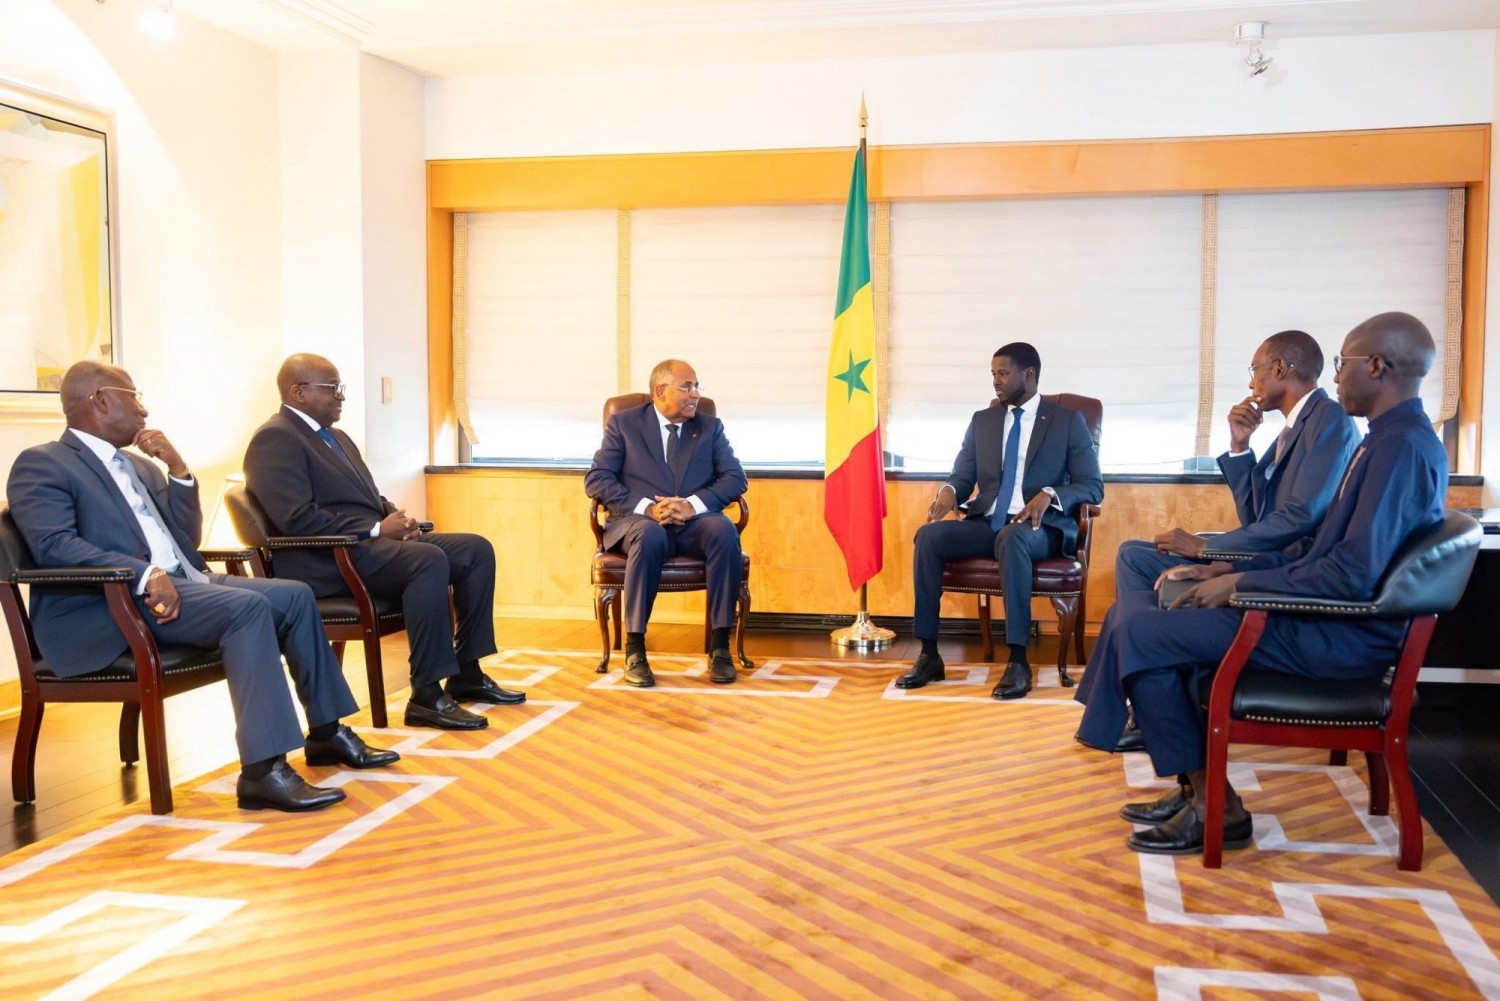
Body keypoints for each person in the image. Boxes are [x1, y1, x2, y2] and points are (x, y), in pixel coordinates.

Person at [1085, 311, 1447, 856]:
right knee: (1138, 614)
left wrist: (1238, 585)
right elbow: (1321, 548)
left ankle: (1217, 809)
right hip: (1321, 615)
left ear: (1377, 366)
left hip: (1340, 635)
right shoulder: (1387, 441)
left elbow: (1351, 572)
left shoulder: (1399, 449)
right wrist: (1227, 571)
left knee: (1143, 630)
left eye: (1344, 365)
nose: (1336, 377)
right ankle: (1196, 788)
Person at [7, 361, 399, 813]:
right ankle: (263, 772)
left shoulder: (137, 465)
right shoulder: (43, 463)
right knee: (245, 610)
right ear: (100, 400)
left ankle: (327, 733)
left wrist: (177, 469)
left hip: (183, 582)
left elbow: (185, 538)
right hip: (115, 604)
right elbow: (54, 545)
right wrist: (143, 573)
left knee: (293, 594)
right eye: (133, 396)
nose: (144, 409)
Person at [1085, 330, 1360, 751]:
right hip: (1265, 557)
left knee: (1137, 573)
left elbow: (1301, 517)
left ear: (1281, 368)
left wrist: (1207, 550)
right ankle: (1151, 693)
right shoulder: (1291, 428)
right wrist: (1239, 446)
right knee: (1134, 555)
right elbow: (1257, 515)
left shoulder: (1328, 420)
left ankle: (1153, 694)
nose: (1252, 384)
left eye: (1255, 371)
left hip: (1278, 571)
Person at [243, 354, 517, 732]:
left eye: (341, 388)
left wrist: (397, 519)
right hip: (326, 560)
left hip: (364, 547)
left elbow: (365, 498)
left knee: (474, 548)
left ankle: (467, 671)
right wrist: (374, 529)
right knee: (427, 560)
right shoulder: (275, 438)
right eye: (331, 388)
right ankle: (426, 695)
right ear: (298, 391)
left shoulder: (336, 437)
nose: (340, 397)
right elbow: (295, 518)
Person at [898, 342, 1103, 699]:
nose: (996, 381)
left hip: (1040, 528)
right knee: (928, 537)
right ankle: (929, 655)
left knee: (1013, 537)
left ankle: (1018, 662)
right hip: (988, 521)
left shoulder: (1068, 422)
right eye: (993, 374)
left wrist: (1051, 494)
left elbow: (1093, 486)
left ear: (1029, 374)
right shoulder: (984, 420)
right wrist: (949, 492)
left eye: (1003, 373)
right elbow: (962, 475)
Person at [583, 359, 748, 688]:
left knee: (723, 530)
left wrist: (691, 505)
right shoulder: (624, 425)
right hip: (638, 524)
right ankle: (635, 650)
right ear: (660, 391)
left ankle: (719, 649)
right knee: (649, 533)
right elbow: (597, 479)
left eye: (697, 386)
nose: (695, 394)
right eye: (687, 387)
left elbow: (735, 478)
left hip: (694, 524)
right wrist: (646, 508)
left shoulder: (709, 427)